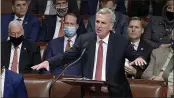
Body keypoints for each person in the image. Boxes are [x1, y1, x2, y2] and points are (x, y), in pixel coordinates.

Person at [32, 8, 147, 97]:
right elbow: (68, 55)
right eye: (97, 22)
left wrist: (138, 58)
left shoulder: (121, 42)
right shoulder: (85, 40)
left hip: (114, 93)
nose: (99, 26)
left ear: (111, 26)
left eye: (103, 23)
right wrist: (49, 62)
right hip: (90, 92)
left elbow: (134, 55)